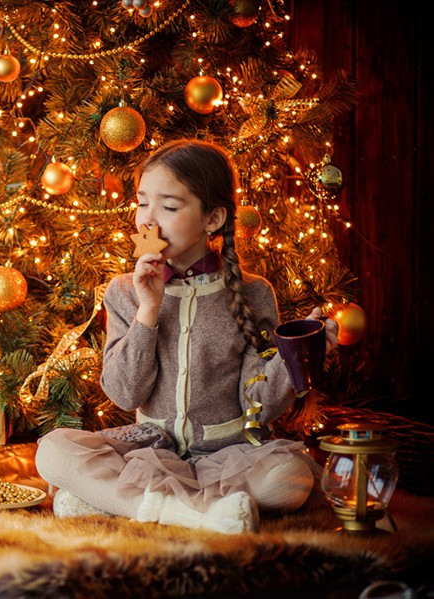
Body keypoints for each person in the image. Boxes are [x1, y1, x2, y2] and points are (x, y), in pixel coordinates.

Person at [35, 139, 338, 534]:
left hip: (229, 456)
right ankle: (195, 514)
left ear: (212, 219)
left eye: (170, 207)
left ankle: (120, 503)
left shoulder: (254, 292)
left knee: (288, 479)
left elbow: (260, 406)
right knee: (53, 451)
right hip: (150, 449)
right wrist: (148, 310)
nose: (149, 220)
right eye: (142, 202)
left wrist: (300, 354)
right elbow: (125, 394)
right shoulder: (124, 292)